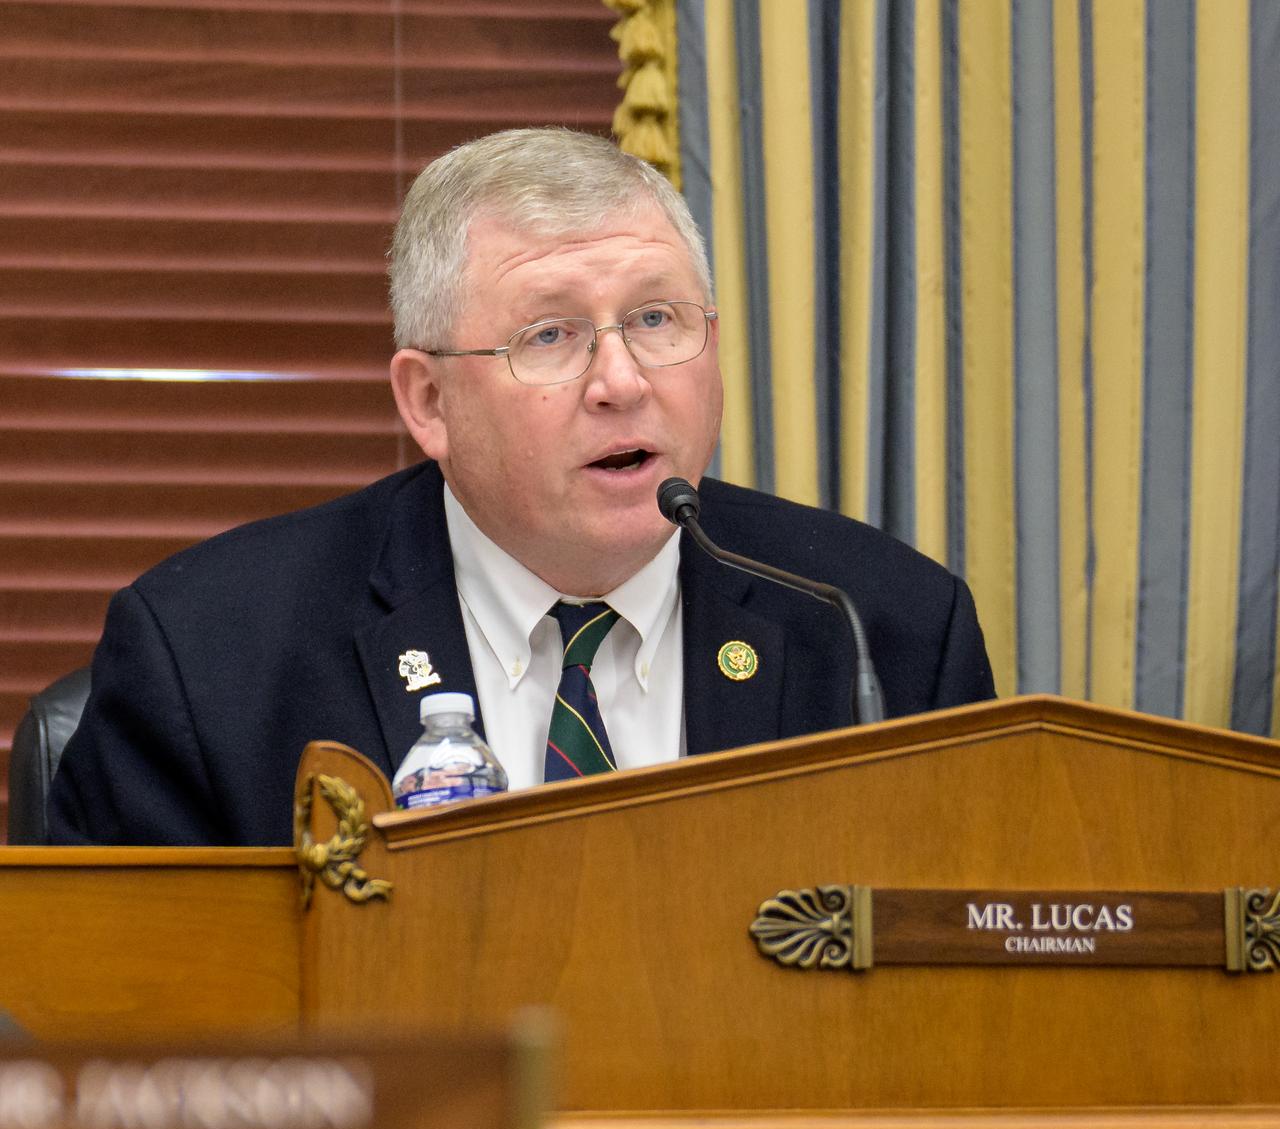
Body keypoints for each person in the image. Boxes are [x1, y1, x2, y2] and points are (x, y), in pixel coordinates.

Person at [48, 128, 995, 846]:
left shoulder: (881, 631)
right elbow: (126, 1047)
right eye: (550, 336)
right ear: (429, 400)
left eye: (657, 319)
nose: (621, 380)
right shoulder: (211, 658)